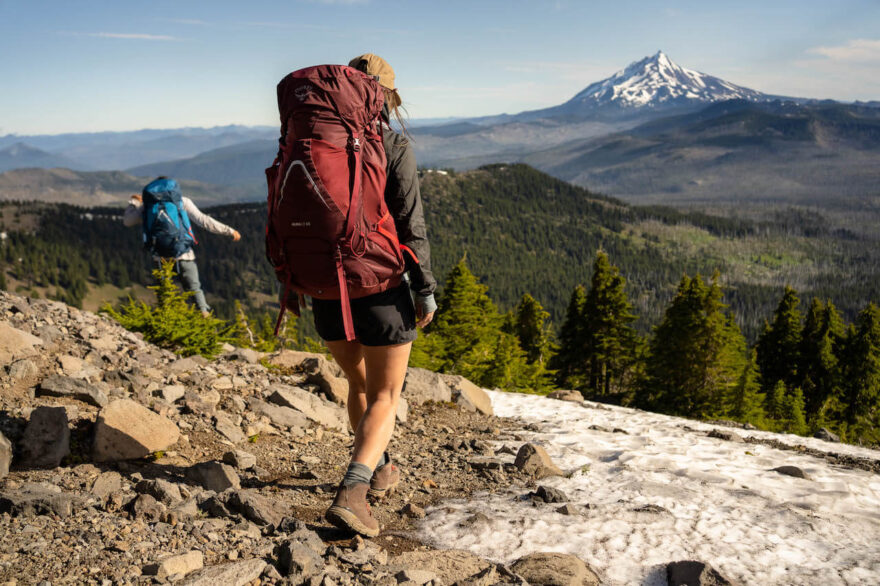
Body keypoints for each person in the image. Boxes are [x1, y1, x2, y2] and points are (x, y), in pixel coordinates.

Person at [323, 54, 437, 537]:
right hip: (381, 288)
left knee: (359, 384)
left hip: (327, 288)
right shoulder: (392, 144)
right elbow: (411, 224)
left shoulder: (315, 144)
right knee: (387, 393)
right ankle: (353, 490)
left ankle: (380, 465)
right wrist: (426, 290)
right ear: (387, 96)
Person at [123, 177, 241, 317]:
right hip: (184, 254)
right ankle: (208, 328)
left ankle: (167, 331)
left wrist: (135, 202)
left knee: (164, 297)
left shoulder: (148, 205)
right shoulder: (181, 201)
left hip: (160, 257)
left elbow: (128, 222)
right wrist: (229, 230)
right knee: (195, 292)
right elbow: (204, 221)